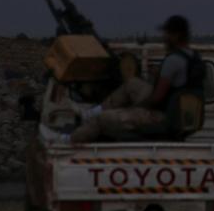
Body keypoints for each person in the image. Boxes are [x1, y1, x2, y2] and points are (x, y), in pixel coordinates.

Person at [40, 15, 196, 144]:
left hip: (162, 115)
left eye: (167, 33)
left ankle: (66, 139)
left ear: (176, 35)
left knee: (100, 120)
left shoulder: (173, 61)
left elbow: (157, 98)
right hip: (174, 109)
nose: (164, 37)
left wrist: (134, 108)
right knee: (132, 84)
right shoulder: (191, 57)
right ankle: (90, 112)